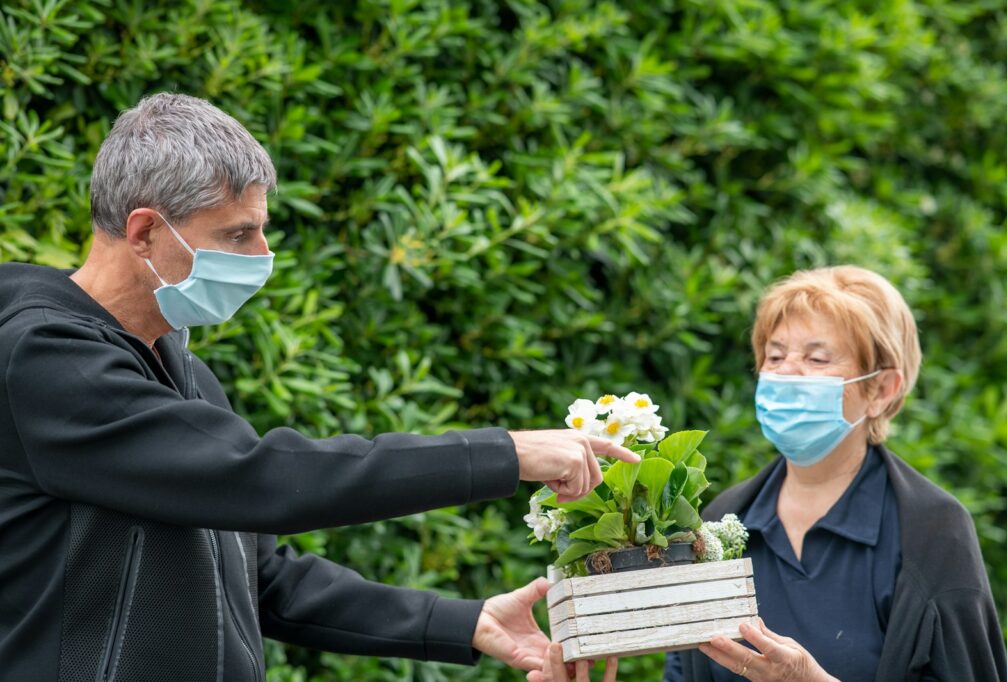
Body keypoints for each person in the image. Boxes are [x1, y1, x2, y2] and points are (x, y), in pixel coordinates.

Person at [0, 93, 642, 682]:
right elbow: (262, 479)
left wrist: (464, 622)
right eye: (236, 234)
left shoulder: (181, 372)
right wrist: (503, 452)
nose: (261, 256)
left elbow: (261, 578)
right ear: (143, 232)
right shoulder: (47, 359)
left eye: (261, 229)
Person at [664, 266, 1007, 681]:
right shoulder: (720, 525)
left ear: (881, 390)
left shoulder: (932, 531)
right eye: (774, 356)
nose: (787, 371)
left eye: (816, 358)